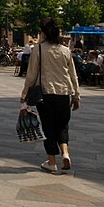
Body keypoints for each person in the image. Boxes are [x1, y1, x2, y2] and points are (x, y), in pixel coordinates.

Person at [19, 18, 80, 174]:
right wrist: (76, 96)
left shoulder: (38, 50)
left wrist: (25, 93)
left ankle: (52, 162)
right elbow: (73, 75)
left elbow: (31, 75)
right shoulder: (65, 50)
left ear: (44, 33)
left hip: (45, 94)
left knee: (49, 127)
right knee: (62, 125)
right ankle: (65, 153)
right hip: (64, 93)